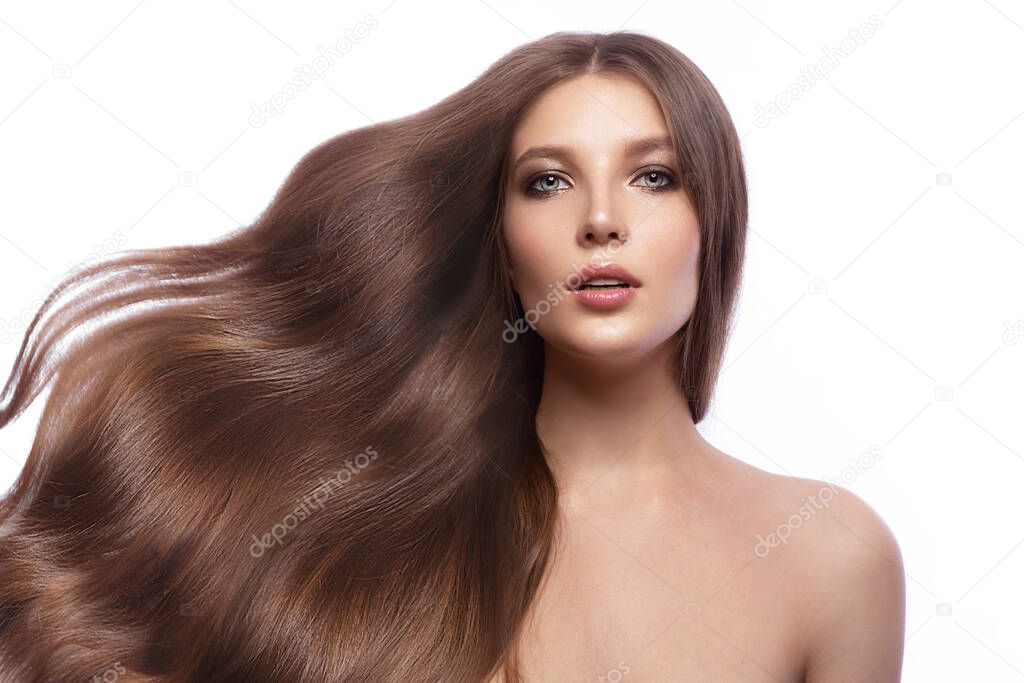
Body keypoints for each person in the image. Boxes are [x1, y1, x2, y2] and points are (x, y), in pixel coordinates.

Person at [0, 30, 904, 682]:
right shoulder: (375, 523)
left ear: (716, 225)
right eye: (547, 181)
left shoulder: (831, 557)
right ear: (504, 244)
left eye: (654, 175)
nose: (600, 218)